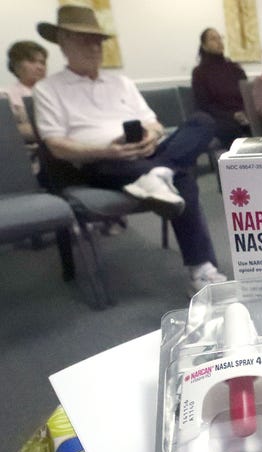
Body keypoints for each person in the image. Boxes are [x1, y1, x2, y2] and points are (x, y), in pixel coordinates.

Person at [33, 5, 226, 294]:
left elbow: (154, 122)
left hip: (148, 153)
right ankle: (201, 269)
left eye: (98, 40)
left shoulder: (120, 82)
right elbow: (56, 146)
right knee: (182, 174)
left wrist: (151, 135)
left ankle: (160, 173)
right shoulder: (48, 89)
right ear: (62, 41)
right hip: (100, 162)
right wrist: (107, 151)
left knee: (203, 122)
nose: (95, 46)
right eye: (84, 39)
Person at [192, 27, 250, 148]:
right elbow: (204, 105)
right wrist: (232, 115)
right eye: (213, 39)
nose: (219, 41)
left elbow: (247, 95)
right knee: (231, 129)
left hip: (243, 114)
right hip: (219, 118)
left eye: (220, 38)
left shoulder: (235, 68)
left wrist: (245, 112)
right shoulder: (200, 72)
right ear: (204, 46)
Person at [3, 40, 47, 143]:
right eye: (32, 61)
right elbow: (6, 131)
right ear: (16, 65)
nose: (40, 67)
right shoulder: (5, 95)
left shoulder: (54, 93)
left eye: (42, 62)